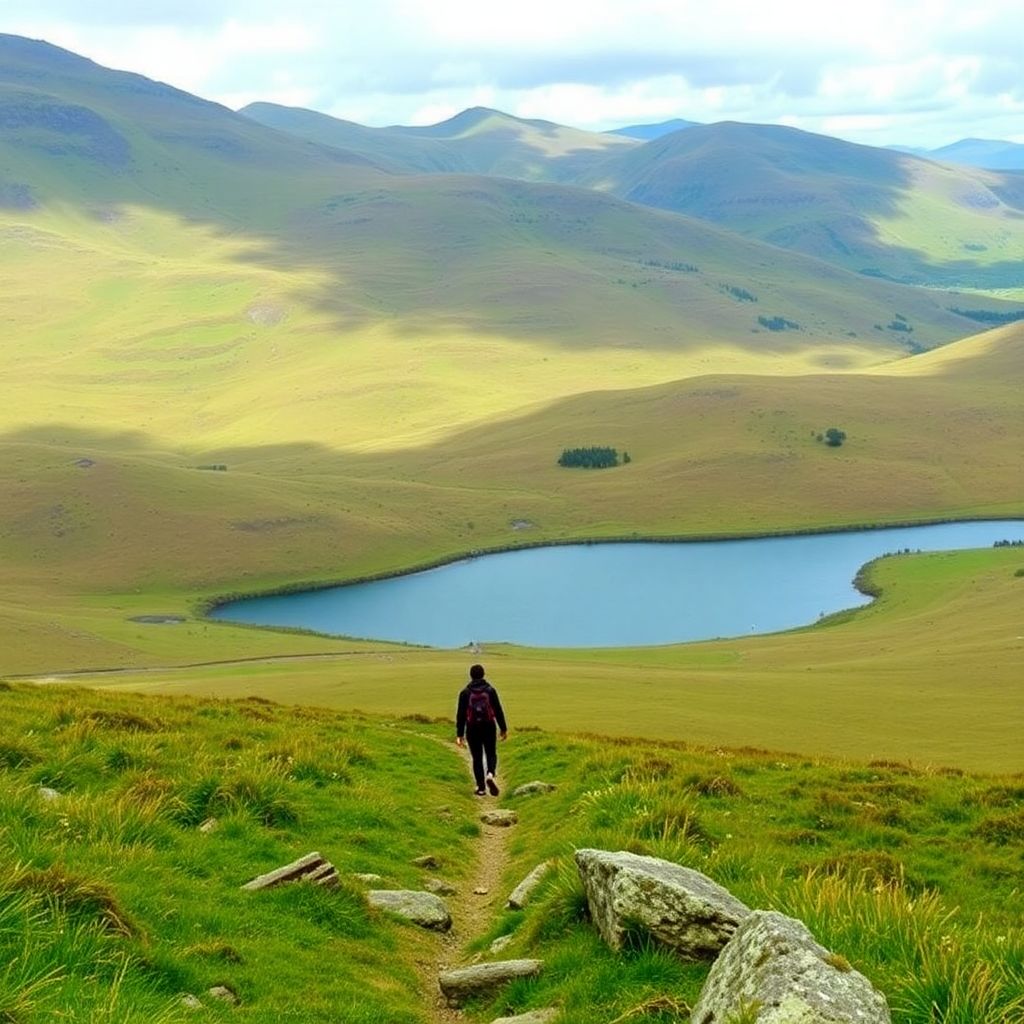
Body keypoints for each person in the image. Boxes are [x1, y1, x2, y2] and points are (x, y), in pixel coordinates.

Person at [455, 664, 507, 796]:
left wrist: (459, 734)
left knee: (477, 757)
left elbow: (460, 715)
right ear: (483, 674)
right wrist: (503, 728)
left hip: (472, 728)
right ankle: (490, 773)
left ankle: (481, 788)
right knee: (491, 753)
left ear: (471, 675)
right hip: (489, 725)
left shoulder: (465, 693)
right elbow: (498, 709)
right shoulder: (490, 690)